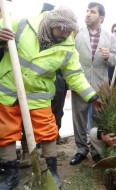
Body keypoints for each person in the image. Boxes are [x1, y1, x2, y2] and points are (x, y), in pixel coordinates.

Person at [0, 7, 102, 189]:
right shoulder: (21, 24)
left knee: (48, 132)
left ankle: (52, 171)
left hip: (39, 95)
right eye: (61, 29)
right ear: (50, 24)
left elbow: (74, 74)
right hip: (9, 90)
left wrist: (92, 96)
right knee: (5, 133)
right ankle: (10, 174)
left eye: (69, 30)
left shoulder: (68, 46)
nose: (64, 34)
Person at [70, 2, 116, 165]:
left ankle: (96, 149)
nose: (88, 14)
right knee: (79, 116)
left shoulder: (110, 37)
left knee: (99, 118)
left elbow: (115, 59)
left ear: (101, 17)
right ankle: (81, 150)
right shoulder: (76, 34)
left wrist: (108, 57)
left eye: (92, 12)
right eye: (87, 11)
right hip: (80, 82)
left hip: (100, 84)